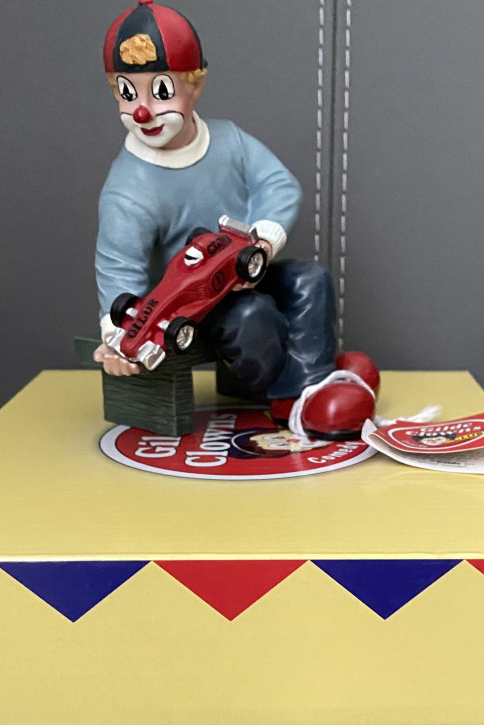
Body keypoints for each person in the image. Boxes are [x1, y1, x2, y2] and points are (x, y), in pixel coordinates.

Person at [93, 1, 379, 439]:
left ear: (195, 85)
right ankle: (299, 396)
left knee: (311, 279)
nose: (143, 110)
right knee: (251, 314)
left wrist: (262, 241)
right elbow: (119, 267)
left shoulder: (229, 140)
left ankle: (316, 378)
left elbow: (278, 185)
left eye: (162, 90)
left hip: (246, 272)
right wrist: (118, 337)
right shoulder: (127, 188)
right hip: (191, 307)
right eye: (129, 93)